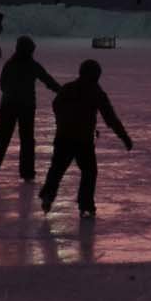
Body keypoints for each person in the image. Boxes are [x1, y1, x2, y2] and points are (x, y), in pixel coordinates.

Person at [39, 59, 132, 218]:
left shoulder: (68, 88)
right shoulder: (96, 92)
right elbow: (110, 118)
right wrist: (124, 137)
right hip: (83, 141)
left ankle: (48, 196)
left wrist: (62, 121)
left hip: (64, 137)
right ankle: (86, 204)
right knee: (89, 172)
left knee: (57, 169)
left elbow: (56, 105)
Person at [0, 35, 61, 181]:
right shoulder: (32, 65)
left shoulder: (10, 64)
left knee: (3, 136)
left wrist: (10, 94)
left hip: (8, 105)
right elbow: (48, 81)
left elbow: (2, 83)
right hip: (26, 107)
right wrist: (62, 91)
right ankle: (27, 172)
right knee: (26, 139)